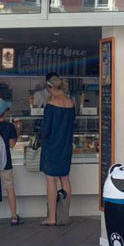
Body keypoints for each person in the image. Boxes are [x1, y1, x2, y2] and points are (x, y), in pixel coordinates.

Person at [39, 75, 76, 226]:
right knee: (65, 178)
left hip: (52, 146)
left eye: (48, 89)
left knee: (51, 180)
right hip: (66, 144)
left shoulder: (51, 105)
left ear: (52, 88)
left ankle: (52, 218)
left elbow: (45, 130)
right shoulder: (71, 103)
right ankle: (64, 216)